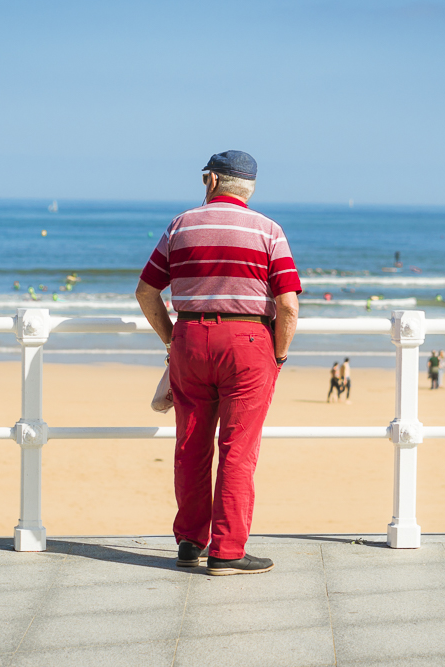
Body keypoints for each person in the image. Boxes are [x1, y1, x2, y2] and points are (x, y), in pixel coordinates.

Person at [135, 150, 300, 576]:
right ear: (249, 187)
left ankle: (191, 541)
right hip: (247, 342)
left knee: (191, 445)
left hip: (191, 339)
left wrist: (175, 341)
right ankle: (228, 551)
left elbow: (146, 292)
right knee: (238, 450)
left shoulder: (181, 225)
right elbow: (288, 306)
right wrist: (279, 353)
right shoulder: (269, 231)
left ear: (211, 181)